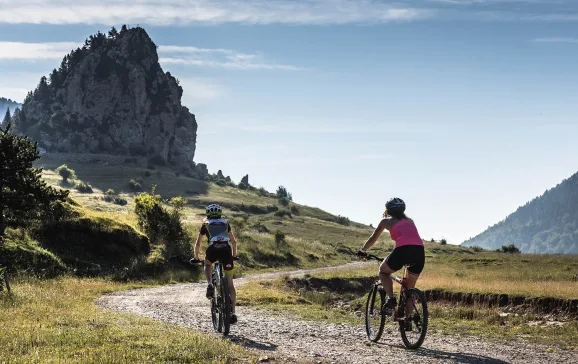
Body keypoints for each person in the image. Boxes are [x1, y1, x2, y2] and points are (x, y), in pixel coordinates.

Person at [357, 197, 425, 312]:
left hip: (403, 250)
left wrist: (362, 250)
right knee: (409, 289)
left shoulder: (386, 221)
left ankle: (391, 299)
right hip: (419, 252)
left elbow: (373, 238)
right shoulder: (410, 221)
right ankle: (409, 320)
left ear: (388, 210)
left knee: (383, 271)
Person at [194, 203, 239, 324]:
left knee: (208, 264)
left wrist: (196, 257)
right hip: (226, 250)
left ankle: (209, 284)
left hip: (213, 249)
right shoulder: (225, 223)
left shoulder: (206, 224)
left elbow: (198, 244)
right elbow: (234, 242)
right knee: (230, 284)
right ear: (220, 213)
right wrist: (234, 256)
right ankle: (233, 312)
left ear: (207, 214)